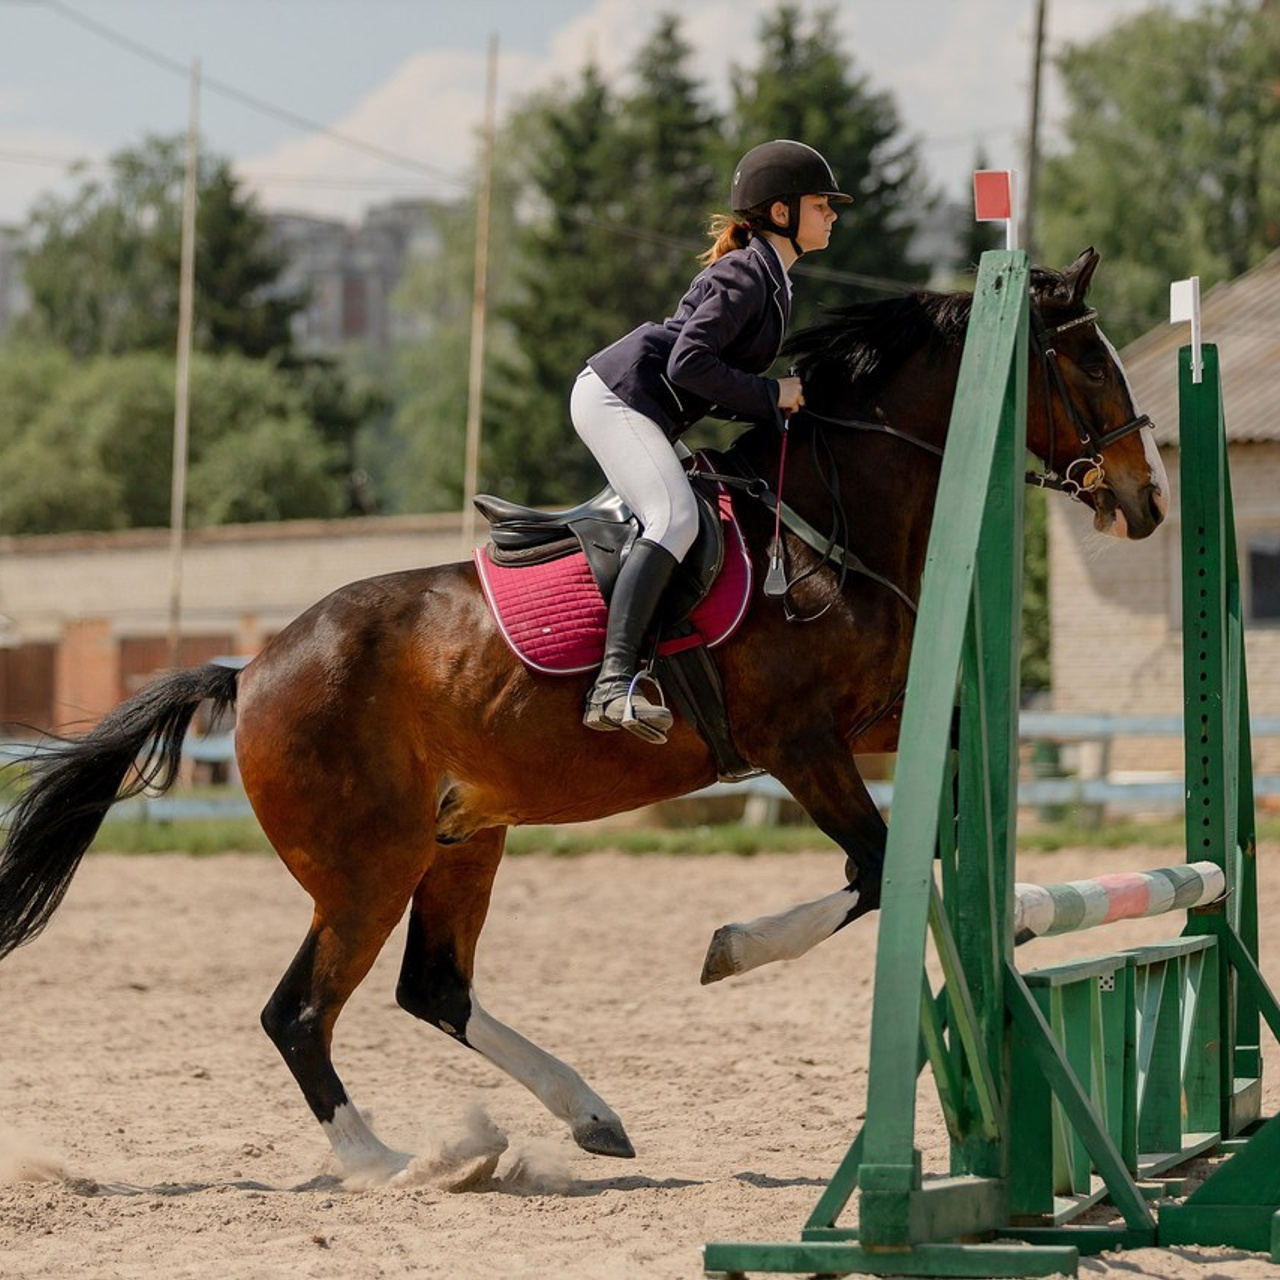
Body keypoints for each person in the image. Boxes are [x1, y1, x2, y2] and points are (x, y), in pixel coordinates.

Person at [571, 139, 851, 744]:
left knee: (690, 512)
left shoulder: (770, 277)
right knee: (672, 518)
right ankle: (612, 682)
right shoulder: (746, 272)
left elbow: (711, 379)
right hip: (618, 395)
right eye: (821, 204)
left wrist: (776, 410)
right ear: (781, 213)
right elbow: (688, 365)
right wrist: (771, 395)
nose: (832, 214)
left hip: (642, 403)